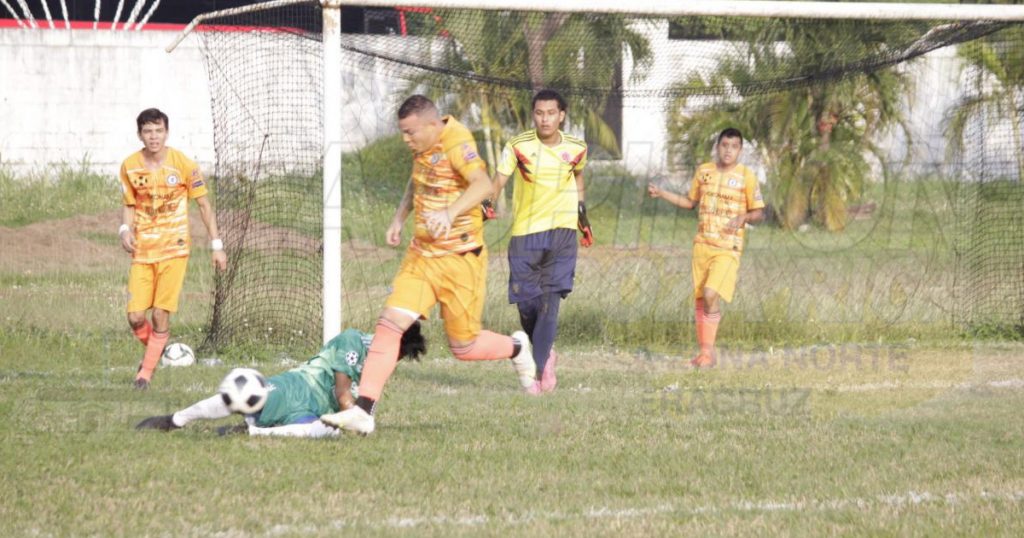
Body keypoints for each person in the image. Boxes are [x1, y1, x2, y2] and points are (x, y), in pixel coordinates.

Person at [320, 95, 536, 436]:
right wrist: (399, 217)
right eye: (403, 133)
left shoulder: (458, 141)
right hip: (422, 255)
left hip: (460, 260)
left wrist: (450, 213)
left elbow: (483, 186)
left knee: (463, 347)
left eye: (410, 132)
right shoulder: (423, 146)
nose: (406, 140)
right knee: (390, 324)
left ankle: (517, 348)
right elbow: (418, 179)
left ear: (433, 125)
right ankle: (364, 411)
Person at [135, 323, 427, 437]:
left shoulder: (376, 368)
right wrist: (359, 417)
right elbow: (342, 394)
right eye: (396, 355)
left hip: (313, 411)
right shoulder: (352, 341)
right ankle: (174, 420)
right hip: (296, 389)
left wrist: (353, 419)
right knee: (246, 392)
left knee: (329, 433)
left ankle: (250, 433)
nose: (392, 363)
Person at [489, 89, 591, 394]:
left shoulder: (577, 148)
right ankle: (546, 353)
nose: (544, 119)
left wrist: (582, 217)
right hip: (525, 233)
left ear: (561, 115)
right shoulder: (518, 145)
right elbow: (498, 182)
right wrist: (486, 203)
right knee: (526, 305)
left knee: (549, 303)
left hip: (562, 232)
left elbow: (579, 180)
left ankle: (538, 369)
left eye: (551, 113)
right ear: (533, 114)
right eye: (539, 113)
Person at [118, 108, 228, 390]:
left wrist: (217, 246)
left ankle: (145, 374)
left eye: (158, 131)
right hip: (143, 250)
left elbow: (204, 205)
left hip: (174, 249)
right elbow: (129, 203)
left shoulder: (183, 164)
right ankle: (162, 352)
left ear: (166, 132)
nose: (153, 137)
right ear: (140, 134)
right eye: (148, 131)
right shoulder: (129, 166)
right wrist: (124, 229)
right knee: (135, 317)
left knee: (159, 315)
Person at [647, 128, 764, 368]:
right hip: (702, 245)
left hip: (728, 248)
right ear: (717, 147)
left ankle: (707, 353)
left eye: (734, 146)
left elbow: (759, 212)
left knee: (712, 294)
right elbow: (690, 203)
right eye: (724, 145)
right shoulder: (704, 172)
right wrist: (662, 193)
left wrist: (743, 218)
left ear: (740, 150)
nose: (728, 150)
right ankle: (705, 354)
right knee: (702, 299)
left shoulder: (747, 177)